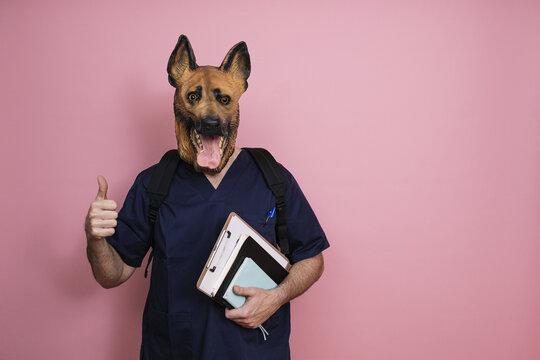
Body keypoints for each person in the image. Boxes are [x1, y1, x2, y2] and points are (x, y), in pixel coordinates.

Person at [85, 35, 329, 360]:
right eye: (194, 98)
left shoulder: (273, 177)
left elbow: (312, 257)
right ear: (177, 96)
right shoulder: (153, 184)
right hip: (172, 350)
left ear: (239, 91)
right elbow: (112, 275)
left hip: (256, 351)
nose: (210, 115)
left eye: (222, 100)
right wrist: (95, 239)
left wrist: (277, 296)